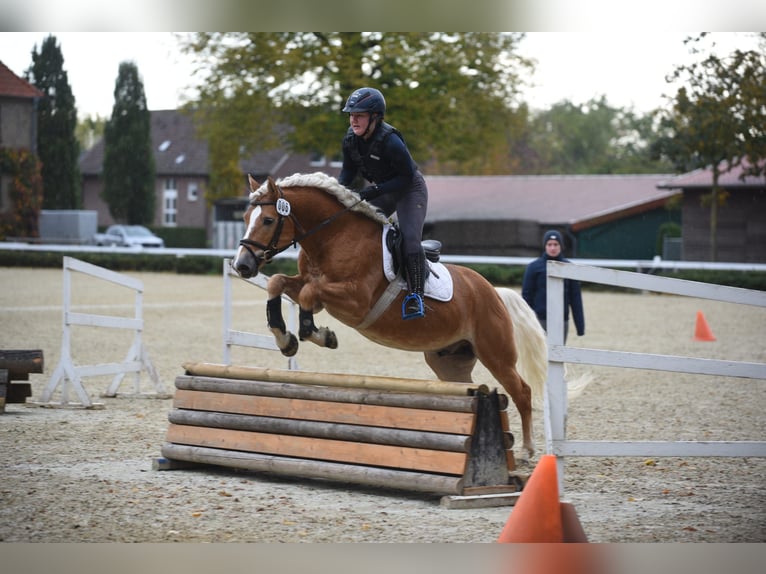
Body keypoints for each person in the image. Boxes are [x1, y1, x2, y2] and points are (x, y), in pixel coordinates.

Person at [337, 87, 429, 320]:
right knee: (353, 225)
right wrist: (337, 194)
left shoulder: (391, 142)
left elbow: (406, 177)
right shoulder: (350, 140)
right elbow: (347, 172)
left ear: (375, 117)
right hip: (385, 189)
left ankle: (416, 295)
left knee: (409, 238)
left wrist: (375, 190)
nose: (353, 119)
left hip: (409, 189)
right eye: (351, 115)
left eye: (359, 114)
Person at [522, 229, 585, 342]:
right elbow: (526, 297)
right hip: (538, 320)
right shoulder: (533, 267)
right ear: (545, 246)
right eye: (549, 244)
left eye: (556, 244)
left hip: (561, 321)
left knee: (558, 355)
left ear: (561, 246)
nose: (553, 248)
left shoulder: (569, 268)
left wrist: (580, 327)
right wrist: (527, 322)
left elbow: (576, 299)